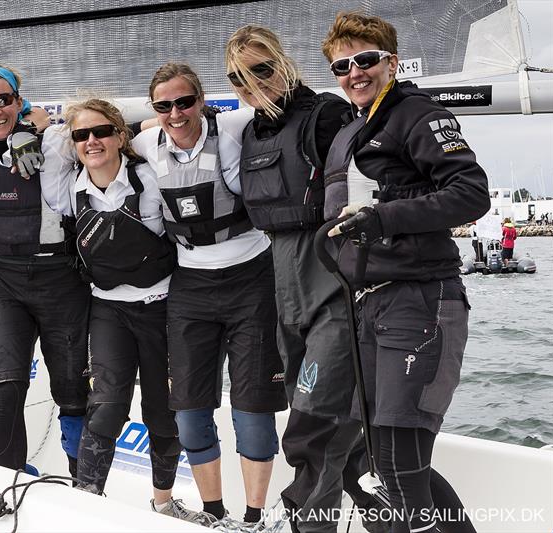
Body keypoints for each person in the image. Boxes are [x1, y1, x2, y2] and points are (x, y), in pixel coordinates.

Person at [321, 12, 489, 533]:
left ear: (391, 62)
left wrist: (382, 218)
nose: (355, 72)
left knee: (399, 462)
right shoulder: (354, 128)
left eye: (366, 59)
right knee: (369, 459)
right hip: (367, 304)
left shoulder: (416, 114)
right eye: (342, 65)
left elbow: (471, 192)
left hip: (418, 301)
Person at [225, 25, 389, 533]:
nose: (252, 83)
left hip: (333, 278)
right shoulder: (249, 131)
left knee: (313, 419)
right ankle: (385, 516)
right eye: (238, 77)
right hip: (281, 280)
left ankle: (307, 522)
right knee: (318, 407)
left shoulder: (327, 117)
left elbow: (377, 181)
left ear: (284, 63)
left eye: (261, 69)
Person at [132, 62, 287, 527]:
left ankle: (255, 518)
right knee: (190, 410)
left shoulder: (236, 124)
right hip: (191, 286)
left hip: (251, 280)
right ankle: (214, 513)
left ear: (203, 99)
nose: (176, 114)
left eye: (184, 102)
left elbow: (280, 102)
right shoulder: (144, 143)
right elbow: (97, 130)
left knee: (253, 409)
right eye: (164, 106)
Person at [40, 97, 202, 522]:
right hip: (109, 309)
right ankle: (87, 500)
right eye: (81, 135)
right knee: (108, 404)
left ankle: (164, 504)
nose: (91, 141)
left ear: (120, 135)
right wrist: (53, 124)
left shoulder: (150, 178)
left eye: (102, 132)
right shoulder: (67, 189)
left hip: (163, 306)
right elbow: (53, 139)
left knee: (163, 411)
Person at [0, 61, 90, 476]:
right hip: (5, 280)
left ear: (19, 100)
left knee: (72, 390)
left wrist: (33, 126)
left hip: (60, 279)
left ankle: (85, 485)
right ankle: (7, 482)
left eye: (5, 100)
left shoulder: (55, 138)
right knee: (5, 382)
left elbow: (105, 129)